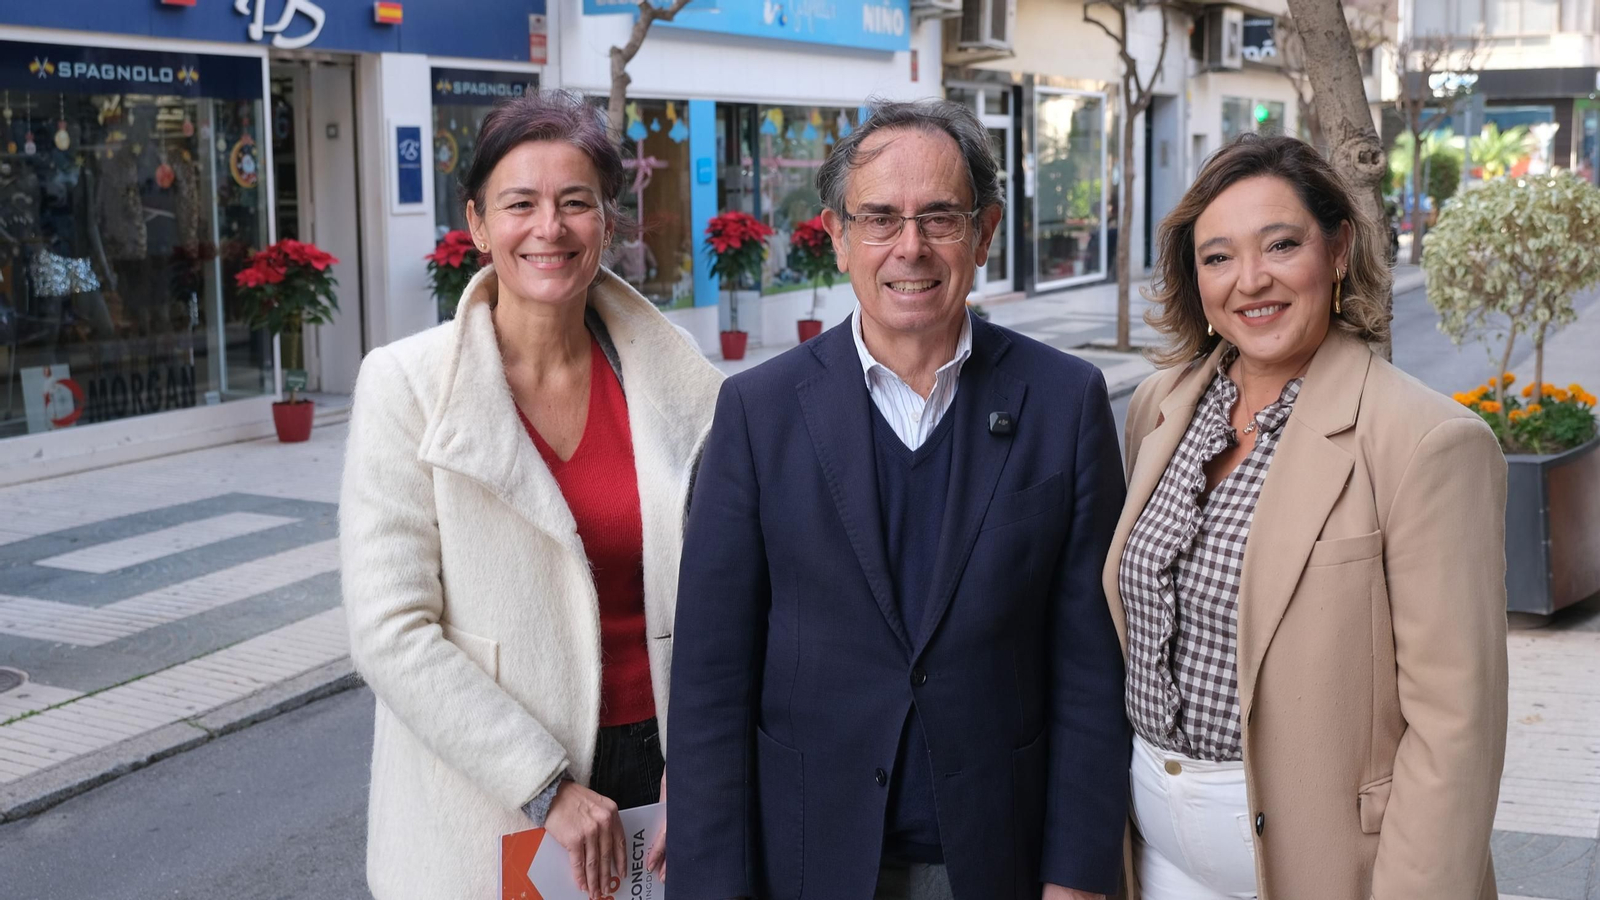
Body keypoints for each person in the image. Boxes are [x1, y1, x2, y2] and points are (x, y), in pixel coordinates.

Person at [666, 99, 1130, 900]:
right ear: (839, 236)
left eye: (939, 218)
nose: (909, 247)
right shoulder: (758, 413)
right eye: (879, 218)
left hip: (1000, 861)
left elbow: (1091, 667)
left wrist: (1079, 876)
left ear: (984, 234)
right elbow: (711, 684)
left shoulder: (1065, 402)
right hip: (809, 860)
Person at [339, 91, 722, 900]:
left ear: (607, 222)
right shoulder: (406, 386)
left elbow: (732, 598)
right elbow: (389, 629)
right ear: (478, 223)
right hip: (498, 785)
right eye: (520, 204)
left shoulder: (676, 380)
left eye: (575, 202)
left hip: (663, 778)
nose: (549, 228)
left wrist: (705, 766)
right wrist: (544, 784)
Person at [1103, 133, 1508, 900]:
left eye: (1280, 245)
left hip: (1327, 868)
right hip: (1154, 856)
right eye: (1217, 256)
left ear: (1339, 248)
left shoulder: (1425, 441)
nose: (1250, 280)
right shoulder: (1162, 408)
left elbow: (1457, 730)